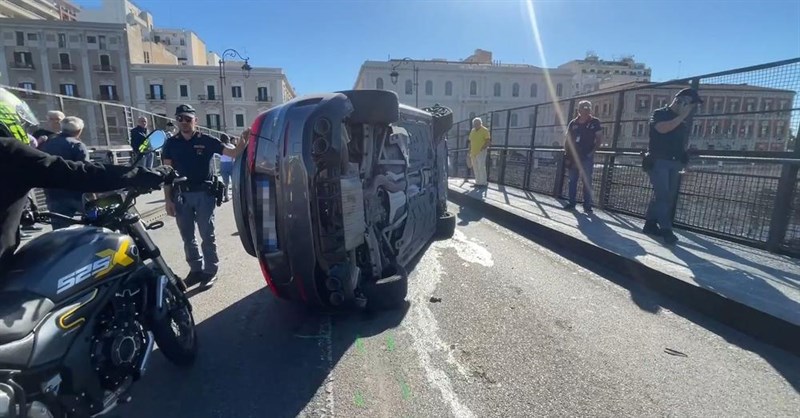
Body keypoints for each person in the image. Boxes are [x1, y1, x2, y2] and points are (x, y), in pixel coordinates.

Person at [0, 87, 176, 271]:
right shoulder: (7, 150)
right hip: (75, 198)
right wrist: (141, 175)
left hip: (53, 199)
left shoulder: (49, 143)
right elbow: (80, 172)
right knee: (86, 245)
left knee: (60, 241)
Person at [162, 104, 248, 289]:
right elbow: (167, 173)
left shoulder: (207, 140)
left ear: (195, 120)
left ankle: (210, 271)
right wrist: (167, 199)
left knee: (206, 235)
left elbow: (232, 153)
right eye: (180, 119)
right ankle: (196, 270)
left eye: (188, 119)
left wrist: (243, 141)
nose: (184, 122)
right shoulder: (171, 143)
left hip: (203, 194)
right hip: (181, 195)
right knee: (187, 237)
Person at [643, 88, 703, 245]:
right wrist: (682, 115)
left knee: (666, 196)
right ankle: (666, 230)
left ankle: (649, 224)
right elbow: (662, 129)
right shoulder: (660, 113)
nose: (691, 109)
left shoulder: (682, 121)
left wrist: (685, 159)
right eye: (689, 105)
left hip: (675, 161)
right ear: (680, 101)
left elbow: (680, 141)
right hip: (658, 161)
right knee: (663, 196)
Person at [38, 116, 92, 230]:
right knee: (93, 223)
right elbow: (85, 170)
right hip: (77, 194)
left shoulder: (48, 144)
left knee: (60, 230)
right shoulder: (78, 145)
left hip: (54, 193)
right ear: (79, 131)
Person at [563, 100, 603, 213]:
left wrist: (592, 152)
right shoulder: (573, 123)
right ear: (579, 110)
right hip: (573, 156)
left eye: (588, 108)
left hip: (586, 156)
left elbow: (599, 139)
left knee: (587, 181)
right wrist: (567, 154)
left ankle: (587, 205)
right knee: (572, 180)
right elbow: (567, 139)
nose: (586, 111)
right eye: (584, 108)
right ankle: (571, 203)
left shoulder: (595, 122)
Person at [468, 117, 491, 188]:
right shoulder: (472, 130)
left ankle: (483, 183)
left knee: (481, 167)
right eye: (475, 123)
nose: (476, 124)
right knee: (475, 167)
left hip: (481, 151)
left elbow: (488, 141)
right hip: (473, 152)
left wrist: (482, 149)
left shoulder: (485, 130)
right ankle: (477, 182)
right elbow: (470, 141)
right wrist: (469, 150)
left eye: (478, 123)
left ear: (481, 123)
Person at [217, 134, 235, 202]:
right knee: (233, 181)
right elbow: (234, 155)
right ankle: (234, 195)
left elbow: (219, 155)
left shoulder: (220, 146)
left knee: (225, 182)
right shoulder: (231, 146)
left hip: (223, 164)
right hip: (231, 163)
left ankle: (226, 196)